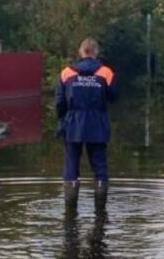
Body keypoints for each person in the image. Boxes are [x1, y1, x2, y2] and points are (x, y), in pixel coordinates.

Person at [55, 37, 117, 207]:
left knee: (71, 166)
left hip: (73, 124)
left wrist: (62, 121)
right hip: (98, 124)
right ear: (96, 53)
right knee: (100, 167)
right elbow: (113, 97)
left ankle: (70, 211)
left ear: (80, 52)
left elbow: (60, 102)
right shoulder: (106, 72)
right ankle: (100, 212)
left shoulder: (66, 73)